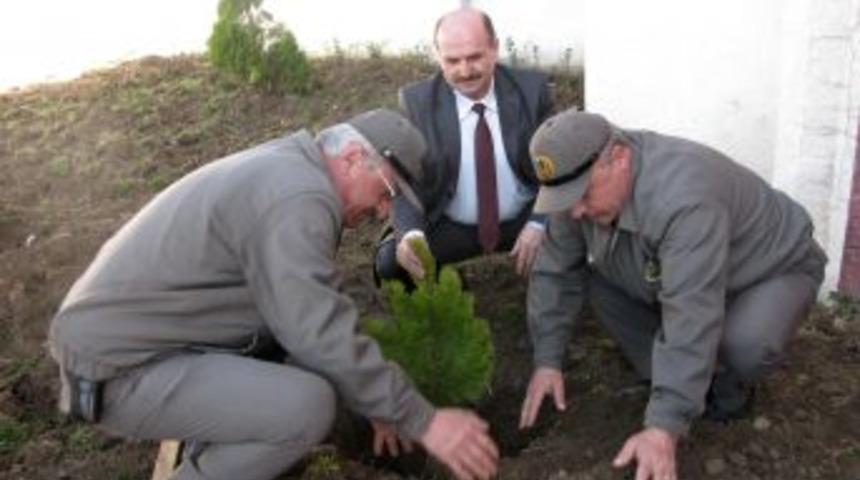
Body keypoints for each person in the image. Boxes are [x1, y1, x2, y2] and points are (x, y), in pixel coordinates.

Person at [48, 109, 499, 480]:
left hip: (143, 341)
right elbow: (315, 328)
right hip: (119, 366)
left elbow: (314, 301)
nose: (384, 211)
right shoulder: (297, 197)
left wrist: (376, 401)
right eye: (386, 194)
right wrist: (422, 419)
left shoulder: (291, 171)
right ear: (353, 158)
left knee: (306, 370)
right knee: (307, 407)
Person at [518, 109, 826, 480]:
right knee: (597, 281)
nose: (576, 211)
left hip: (768, 270)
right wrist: (547, 359)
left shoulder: (684, 198)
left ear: (619, 157)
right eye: (565, 200)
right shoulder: (578, 188)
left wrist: (663, 428)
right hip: (690, 271)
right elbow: (554, 271)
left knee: (746, 343)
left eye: (582, 195)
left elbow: (692, 310)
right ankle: (680, 378)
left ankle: (726, 388)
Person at [374, 6, 554, 284]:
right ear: (438, 55)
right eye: (452, 60)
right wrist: (412, 235)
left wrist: (539, 222)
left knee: (579, 233)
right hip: (451, 223)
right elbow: (404, 181)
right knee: (391, 264)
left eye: (474, 57)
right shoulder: (417, 104)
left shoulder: (532, 92)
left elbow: (558, 168)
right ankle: (448, 295)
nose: (465, 70)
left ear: (494, 48)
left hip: (521, 219)